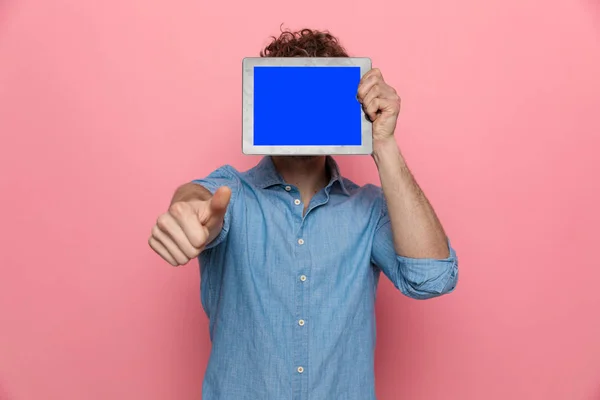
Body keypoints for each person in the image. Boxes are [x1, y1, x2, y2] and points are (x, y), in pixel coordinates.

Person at [148, 28, 459, 400]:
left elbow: (432, 278)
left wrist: (385, 145)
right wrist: (188, 211)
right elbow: (200, 198)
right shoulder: (232, 192)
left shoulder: (370, 209)